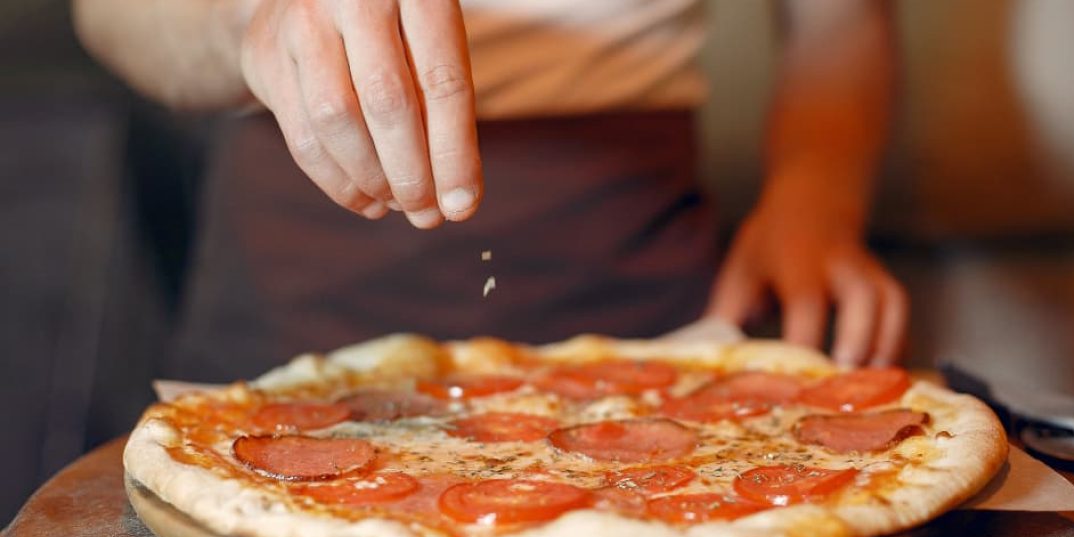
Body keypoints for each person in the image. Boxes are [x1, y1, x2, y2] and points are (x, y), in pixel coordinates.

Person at [73, 0, 906, 380]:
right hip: (284, 296)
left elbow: (838, 21)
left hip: (650, 316)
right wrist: (247, 22)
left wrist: (814, 197)